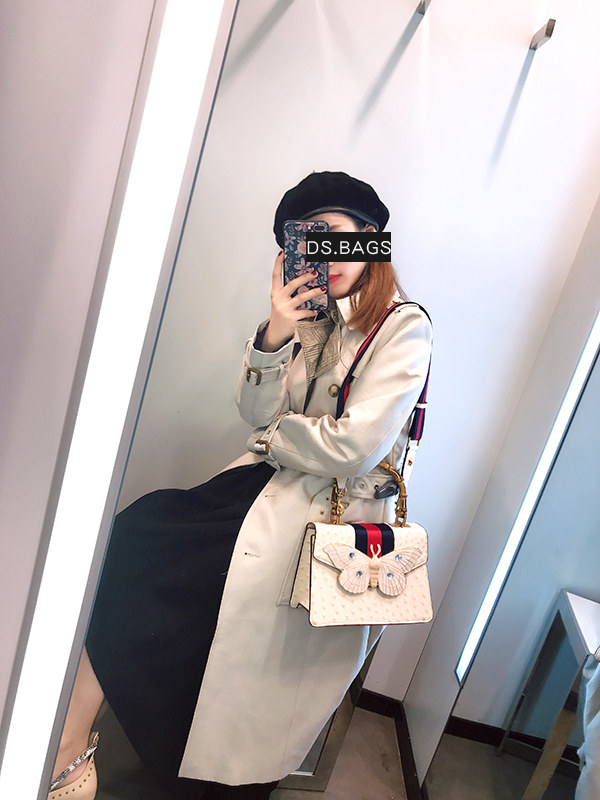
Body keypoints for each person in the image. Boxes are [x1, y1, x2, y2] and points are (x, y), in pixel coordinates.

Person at [48, 171, 433, 800]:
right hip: (269, 489)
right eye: (304, 239)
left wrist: (274, 434)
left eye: (335, 234)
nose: (324, 252)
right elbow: (254, 411)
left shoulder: (402, 326)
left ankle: (81, 749)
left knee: (171, 566)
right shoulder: (313, 320)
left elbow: (351, 447)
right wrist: (276, 332)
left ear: (370, 238)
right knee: (138, 535)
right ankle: (73, 744)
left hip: (332, 515)